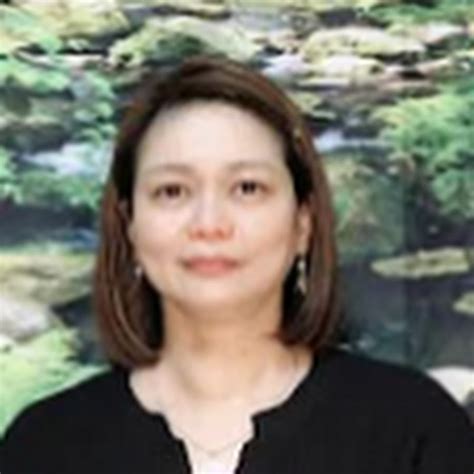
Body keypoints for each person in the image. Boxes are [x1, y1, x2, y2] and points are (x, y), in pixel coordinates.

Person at [1, 55, 472, 474]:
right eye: (172, 191)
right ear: (130, 226)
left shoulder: (413, 430)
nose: (209, 224)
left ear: (303, 222)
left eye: (247, 188)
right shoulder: (43, 446)